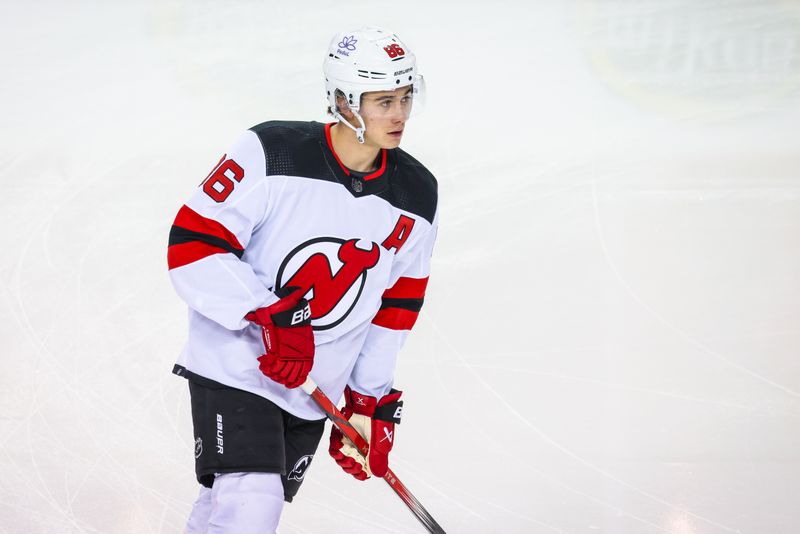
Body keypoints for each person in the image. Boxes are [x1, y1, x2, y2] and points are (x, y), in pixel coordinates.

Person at [167, 27, 439, 533]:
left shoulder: (418, 194)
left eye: (405, 97)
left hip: (315, 383)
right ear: (343, 100)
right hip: (240, 362)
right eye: (383, 101)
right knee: (252, 501)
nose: (399, 114)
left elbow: (395, 308)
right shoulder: (272, 150)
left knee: (226, 508)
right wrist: (269, 315)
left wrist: (367, 402)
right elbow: (193, 246)